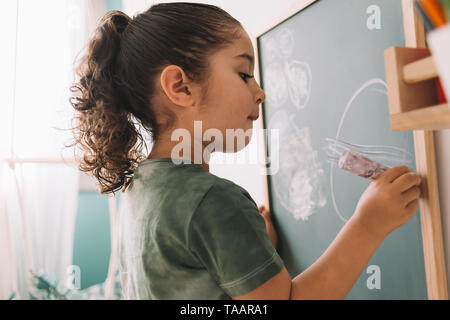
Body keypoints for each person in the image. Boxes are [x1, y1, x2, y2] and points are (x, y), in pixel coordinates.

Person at [68, 2, 422, 300]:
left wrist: (249, 254)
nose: (260, 92)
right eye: (243, 74)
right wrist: (369, 224)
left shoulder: (140, 189)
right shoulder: (212, 200)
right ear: (181, 87)